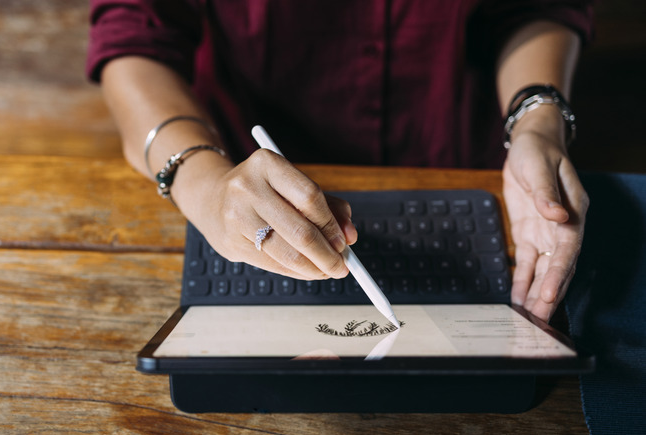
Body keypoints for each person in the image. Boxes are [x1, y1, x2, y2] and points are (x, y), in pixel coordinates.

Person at [87, 0, 593, 322]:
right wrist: (201, 179)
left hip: (461, 169)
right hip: (240, 179)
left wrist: (537, 123)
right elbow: (135, 30)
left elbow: (535, 6)